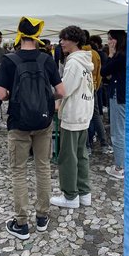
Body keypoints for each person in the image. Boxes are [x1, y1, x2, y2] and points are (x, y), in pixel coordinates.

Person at [0, 16, 65, 240]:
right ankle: (43, 217)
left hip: (18, 123)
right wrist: (47, 100)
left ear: (20, 33)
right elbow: (61, 91)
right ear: (37, 36)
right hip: (44, 122)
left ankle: (21, 223)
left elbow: (0, 94)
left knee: (18, 171)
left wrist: (14, 96)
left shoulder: (9, 59)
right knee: (43, 167)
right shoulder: (47, 59)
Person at [50, 26, 94, 209]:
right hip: (84, 112)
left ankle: (70, 196)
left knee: (68, 156)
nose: (61, 42)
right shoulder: (85, 61)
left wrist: (52, 98)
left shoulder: (73, 62)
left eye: (64, 38)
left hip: (73, 114)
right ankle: (84, 193)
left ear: (74, 40)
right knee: (81, 154)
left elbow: (64, 90)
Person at [101, 30, 127, 179]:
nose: (108, 42)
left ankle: (119, 167)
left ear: (116, 40)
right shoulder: (128, 55)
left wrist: (110, 54)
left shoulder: (119, 56)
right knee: (122, 129)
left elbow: (104, 71)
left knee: (117, 132)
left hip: (119, 95)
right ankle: (122, 164)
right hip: (125, 94)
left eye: (110, 39)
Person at [83, 30, 111, 154]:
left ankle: (88, 145)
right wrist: (96, 86)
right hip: (93, 87)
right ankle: (104, 143)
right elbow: (99, 73)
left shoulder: (80, 53)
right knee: (95, 115)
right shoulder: (95, 53)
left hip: (83, 89)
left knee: (84, 117)